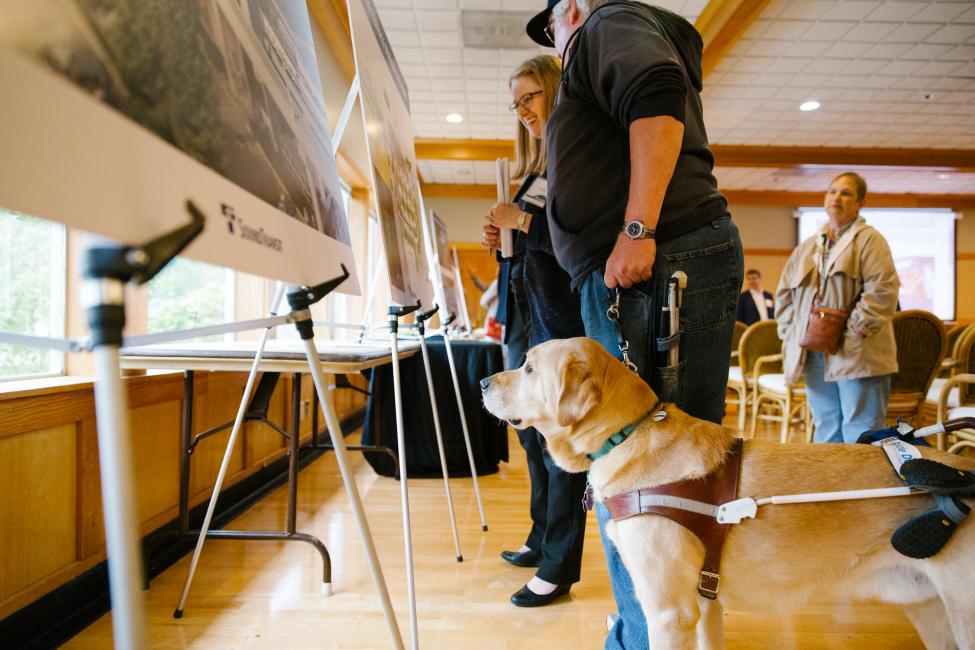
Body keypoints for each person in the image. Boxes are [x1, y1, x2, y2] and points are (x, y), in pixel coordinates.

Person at [526, 1, 743, 646]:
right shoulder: (610, 35)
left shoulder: (604, 22)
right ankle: (657, 628)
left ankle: (645, 635)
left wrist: (637, 229)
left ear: (569, 8)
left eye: (553, 32)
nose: (557, 48)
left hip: (651, 265)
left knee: (639, 476)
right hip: (644, 269)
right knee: (655, 473)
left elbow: (656, 93)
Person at [480, 54, 589, 608]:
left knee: (559, 444)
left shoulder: (574, 157)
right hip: (526, 316)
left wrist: (520, 222)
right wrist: (504, 235)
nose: (522, 109)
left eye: (530, 96)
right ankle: (540, 536)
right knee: (530, 436)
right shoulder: (535, 170)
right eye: (515, 102)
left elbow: (576, 242)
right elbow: (534, 246)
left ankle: (559, 565)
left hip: (557, 322)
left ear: (552, 90)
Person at [775, 172, 899, 444]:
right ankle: (831, 486)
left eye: (846, 193)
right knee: (827, 426)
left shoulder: (870, 241)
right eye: (832, 191)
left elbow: (883, 290)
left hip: (857, 352)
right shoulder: (808, 246)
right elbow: (784, 294)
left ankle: (865, 486)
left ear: (860, 203)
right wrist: (791, 332)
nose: (836, 197)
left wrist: (854, 330)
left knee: (863, 430)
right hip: (813, 351)